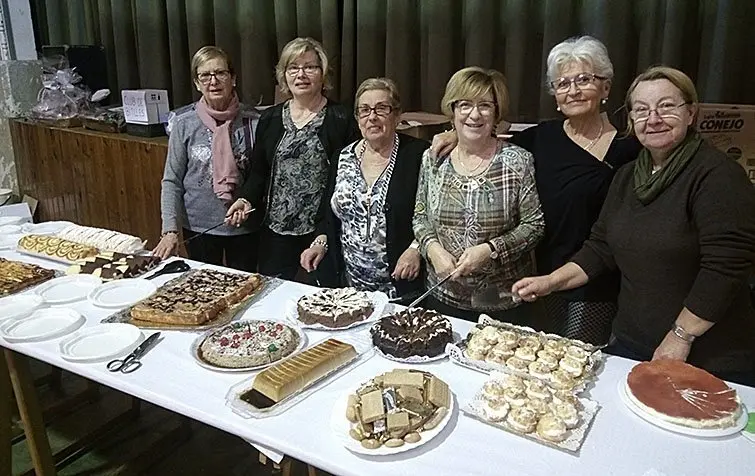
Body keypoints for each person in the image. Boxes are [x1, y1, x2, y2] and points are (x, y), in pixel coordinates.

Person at [513, 66, 755, 385]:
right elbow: (600, 248)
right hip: (632, 341)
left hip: (705, 354)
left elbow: (725, 269)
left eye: (666, 106)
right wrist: (551, 282)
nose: (652, 118)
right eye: (641, 110)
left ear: (691, 112)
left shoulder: (717, 176)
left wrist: (681, 336)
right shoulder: (628, 176)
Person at [432, 36, 641, 344]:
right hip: (535, 280)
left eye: (584, 80)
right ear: (555, 94)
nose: (573, 90)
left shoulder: (631, 147)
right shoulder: (540, 139)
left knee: (573, 369)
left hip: (594, 282)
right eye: (563, 83)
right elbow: (487, 138)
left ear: (606, 87)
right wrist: (454, 132)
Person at [413, 66, 544, 323]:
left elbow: (534, 225)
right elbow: (420, 216)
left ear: (496, 113)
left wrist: (491, 250)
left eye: (484, 105)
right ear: (452, 111)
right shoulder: (433, 160)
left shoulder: (517, 161)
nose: (474, 114)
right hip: (443, 298)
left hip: (503, 304)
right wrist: (433, 250)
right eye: (465, 105)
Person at [226, 37, 360, 280]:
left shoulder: (341, 119)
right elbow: (259, 172)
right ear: (284, 75)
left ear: (323, 73)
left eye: (310, 67)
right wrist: (245, 199)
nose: (301, 74)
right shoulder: (270, 119)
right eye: (293, 68)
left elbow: (347, 182)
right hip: (275, 232)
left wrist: (325, 233)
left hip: (322, 233)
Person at [300, 78, 428, 301]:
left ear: (397, 116)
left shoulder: (418, 155)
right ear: (357, 118)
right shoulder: (342, 156)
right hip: (349, 289)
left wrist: (415, 249)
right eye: (365, 110)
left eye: (382, 109)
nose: (373, 117)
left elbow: (432, 215)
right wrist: (320, 243)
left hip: (401, 291)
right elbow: (327, 215)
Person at [154, 46, 259, 271]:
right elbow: (171, 180)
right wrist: (169, 229)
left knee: (245, 290)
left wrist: (250, 204)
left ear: (233, 79)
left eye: (220, 73)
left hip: (245, 228)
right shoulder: (183, 122)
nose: (213, 81)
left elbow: (262, 177)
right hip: (198, 227)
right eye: (205, 75)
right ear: (197, 83)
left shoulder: (255, 121)